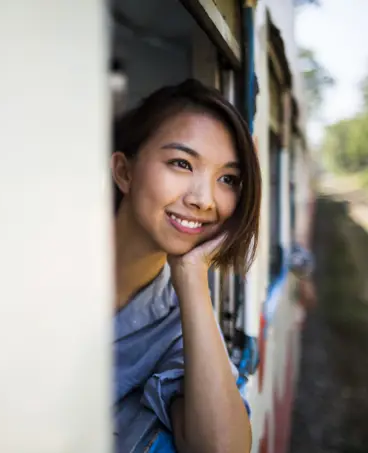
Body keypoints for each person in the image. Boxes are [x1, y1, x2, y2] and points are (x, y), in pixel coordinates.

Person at [111, 79, 261, 453]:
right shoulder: (39, 257)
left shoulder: (176, 323)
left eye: (227, 179)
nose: (204, 200)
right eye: (181, 163)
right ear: (124, 172)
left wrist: (193, 274)